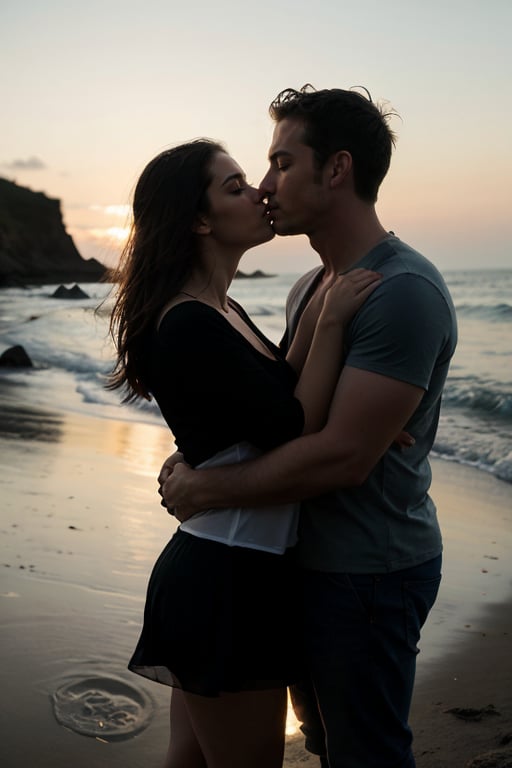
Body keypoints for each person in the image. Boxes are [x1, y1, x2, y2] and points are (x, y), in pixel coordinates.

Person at [159, 87, 458, 768]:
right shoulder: (312, 288)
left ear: (336, 170)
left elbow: (342, 460)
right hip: (294, 562)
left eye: (281, 163)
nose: (266, 187)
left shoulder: (401, 291)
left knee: (366, 753)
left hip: (367, 569)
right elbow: (281, 416)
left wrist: (206, 489)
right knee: (326, 744)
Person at [107, 138, 382, 768]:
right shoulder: (188, 325)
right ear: (199, 220)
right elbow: (294, 424)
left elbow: (275, 393)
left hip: (229, 572)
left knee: (191, 761)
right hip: (224, 581)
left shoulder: (220, 309)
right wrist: (333, 319)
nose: (259, 190)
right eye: (234, 187)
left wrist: (364, 411)